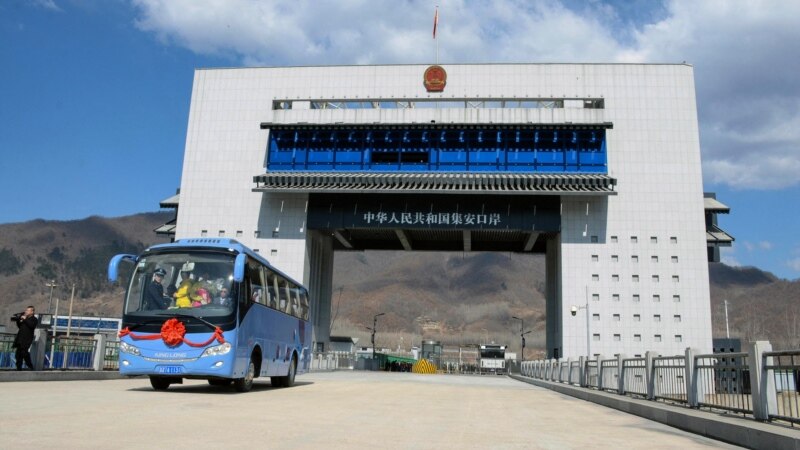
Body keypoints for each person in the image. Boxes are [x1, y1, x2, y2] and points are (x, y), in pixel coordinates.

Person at [11, 306, 38, 371]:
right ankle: (18, 368)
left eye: (28, 310)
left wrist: (25, 319)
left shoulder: (34, 319)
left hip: (27, 339)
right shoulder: (25, 319)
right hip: (20, 339)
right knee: (18, 354)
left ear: (32, 312)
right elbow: (20, 326)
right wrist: (18, 320)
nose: (26, 311)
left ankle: (30, 366)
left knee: (24, 353)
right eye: (26, 310)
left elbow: (31, 325)